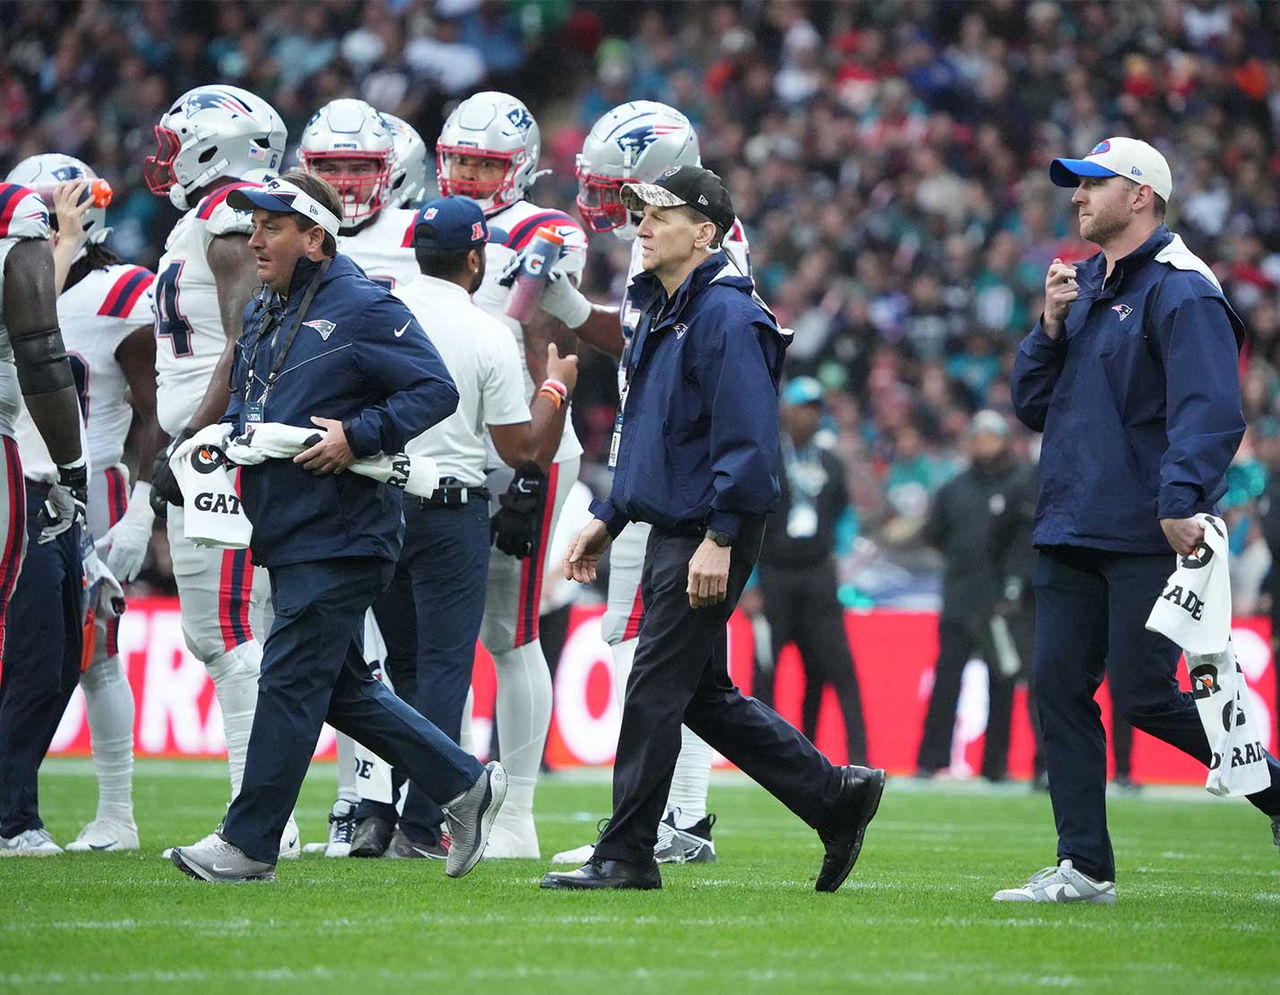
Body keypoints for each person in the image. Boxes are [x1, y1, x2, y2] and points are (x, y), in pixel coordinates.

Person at [542, 166, 884, 892]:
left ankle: (627, 851)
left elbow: (748, 442)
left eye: (659, 215)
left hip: (705, 527)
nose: (641, 226)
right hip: (676, 520)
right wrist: (609, 515)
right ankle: (835, 796)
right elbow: (651, 435)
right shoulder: (667, 304)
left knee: (655, 685)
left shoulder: (727, 313)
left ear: (705, 232)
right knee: (699, 694)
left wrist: (721, 537)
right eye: (639, 213)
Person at [169, 172, 506, 883]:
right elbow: (261, 401)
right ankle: (463, 783)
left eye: (271, 225)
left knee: (289, 680)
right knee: (341, 688)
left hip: (345, 528)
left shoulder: (361, 303)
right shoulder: (267, 305)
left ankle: (250, 841)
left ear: (315, 236)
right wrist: (225, 439)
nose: (253, 238)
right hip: (289, 524)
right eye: (252, 223)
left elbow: (434, 388)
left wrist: (358, 434)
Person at [1003, 137, 1280, 904]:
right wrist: (1048, 329)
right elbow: (1031, 407)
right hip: (1069, 521)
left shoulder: (1184, 289)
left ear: (1142, 196)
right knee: (1057, 689)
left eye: (1095, 184)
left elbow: (1212, 410)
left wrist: (1180, 499)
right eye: (1076, 185)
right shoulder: (1084, 285)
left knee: (1146, 695)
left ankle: (1275, 792)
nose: (1078, 197)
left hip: (1145, 527)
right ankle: (1083, 865)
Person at [550, 100, 753, 868]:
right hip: (666, 475)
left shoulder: (705, 252)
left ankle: (680, 820)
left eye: (622, 188)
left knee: (656, 649)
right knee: (675, 656)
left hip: (681, 482)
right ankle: (685, 818)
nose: (610, 203)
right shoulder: (674, 244)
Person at [353, 195, 578, 859]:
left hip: (380, 501)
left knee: (400, 667)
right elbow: (524, 449)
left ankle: (396, 807)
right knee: (447, 669)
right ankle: (422, 825)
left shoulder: (376, 314)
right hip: (451, 509)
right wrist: (557, 388)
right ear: (476, 258)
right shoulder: (486, 332)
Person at [142, 84, 296, 855]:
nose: (165, 159)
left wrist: (199, 435)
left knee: (228, 631)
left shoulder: (229, 215)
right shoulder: (201, 219)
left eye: (176, 143)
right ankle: (265, 813)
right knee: (230, 632)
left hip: (220, 447)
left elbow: (253, 336)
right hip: (207, 443)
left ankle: (258, 818)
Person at [435, 91, 588, 857]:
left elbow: (534, 317)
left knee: (510, 630)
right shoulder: (416, 226)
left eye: (484, 163)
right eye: (459, 158)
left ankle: (519, 814)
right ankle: (433, 801)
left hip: (521, 445)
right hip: (441, 444)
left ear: (518, 169)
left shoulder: (544, 227)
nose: (466, 173)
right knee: (436, 634)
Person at [5, 154, 160, 852]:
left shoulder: (125, 287)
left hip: (89, 482)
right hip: (23, 478)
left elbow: (155, 410)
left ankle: (116, 811)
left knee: (94, 651)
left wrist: (141, 508)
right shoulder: (31, 271)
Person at [296, 97, 425, 855]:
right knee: (350, 642)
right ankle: (358, 800)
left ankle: (386, 803)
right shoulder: (293, 236)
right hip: (315, 453)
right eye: (331, 167)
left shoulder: (419, 233)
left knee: (389, 647)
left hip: (393, 452)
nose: (345, 182)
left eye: (359, 167)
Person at [0, 178, 90, 856]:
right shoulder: (19, 234)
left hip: (40, 485)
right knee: (32, 658)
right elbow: (39, 344)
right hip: (30, 479)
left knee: (56, 657)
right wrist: (75, 462)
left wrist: (63, 243)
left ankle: (16, 809)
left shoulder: (41, 259)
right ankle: (12, 816)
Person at [749, 376, 868, 767]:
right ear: (785, 411)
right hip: (774, 577)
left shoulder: (830, 462)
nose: (811, 416)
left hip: (818, 577)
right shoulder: (768, 459)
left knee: (832, 668)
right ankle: (761, 755)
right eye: (804, 407)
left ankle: (846, 756)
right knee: (766, 669)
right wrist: (749, 583)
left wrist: (843, 549)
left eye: (817, 408)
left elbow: (845, 513)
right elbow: (748, 519)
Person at [914, 409, 1037, 783]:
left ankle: (994, 766)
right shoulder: (954, 490)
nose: (985, 444)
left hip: (1001, 604)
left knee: (1003, 683)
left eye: (992, 436)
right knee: (946, 680)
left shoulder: (1023, 483)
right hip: (960, 598)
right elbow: (933, 534)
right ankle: (930, 760)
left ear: (1005, 440)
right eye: (979, 436)